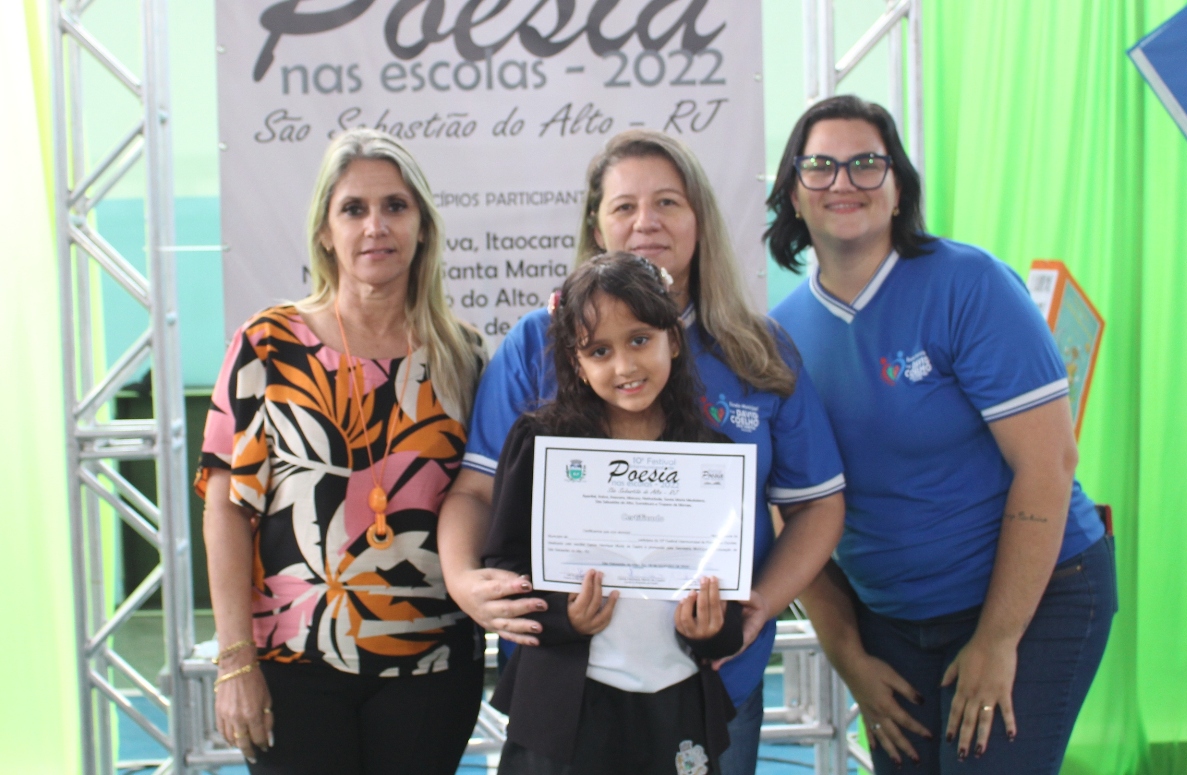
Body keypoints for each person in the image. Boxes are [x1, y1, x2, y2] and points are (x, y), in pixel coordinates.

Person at [438, 129, 847, 775]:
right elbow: (477, 492)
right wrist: (464, 580)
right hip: (565, 692)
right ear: (595, 225)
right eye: (624, 206)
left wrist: (755, 607)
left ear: (700, 217)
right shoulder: (536, 343)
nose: (646, 222)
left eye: (667, 202)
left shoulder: (758, 351)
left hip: (710, 678)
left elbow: (817, 505)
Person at [766, 95, 1116, 774]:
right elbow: (795, 515)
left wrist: (998, 639)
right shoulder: (778, 338)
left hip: (1036, 596)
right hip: (892, 623)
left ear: (899, 189)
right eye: (820, 166)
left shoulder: (970, 285)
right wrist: (851, 660)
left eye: (866, 163)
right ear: (794, 195)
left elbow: (1048, 463)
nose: (843, 181)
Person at [197, 128, 486, 774]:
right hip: (291, 663)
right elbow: (226, 508)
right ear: (326, 232)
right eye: (353, 209)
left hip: (433, 667)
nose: (375, 226)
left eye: (395, 206)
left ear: (422, 227)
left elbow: (483, 499)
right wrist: (234, 659)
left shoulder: (463, 355)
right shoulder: (268, 345)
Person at [482, 252, 746, 773]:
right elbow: (504, 567)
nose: (625, 366)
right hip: (566, 712)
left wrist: (710, 627)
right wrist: (564, 616)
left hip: (676, 701)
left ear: (674, 339)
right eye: (599, 350)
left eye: (640, 340)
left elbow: (728, 600)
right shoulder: (540, 444)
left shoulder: (711, 458)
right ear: (576, 362)